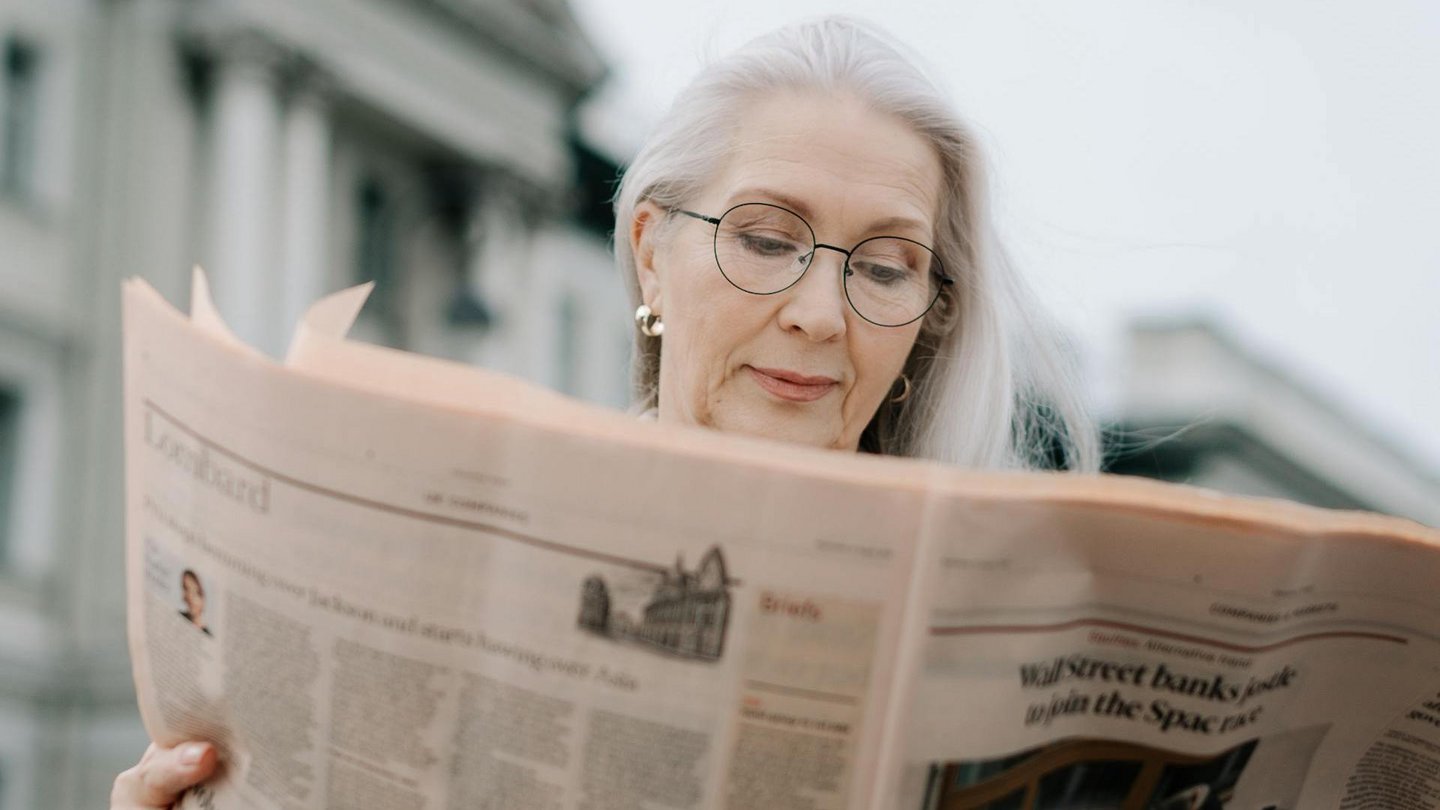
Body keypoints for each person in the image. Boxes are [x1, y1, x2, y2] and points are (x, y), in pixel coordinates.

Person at [111, 15, 1099, 808]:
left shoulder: (995, 648)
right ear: (653, 254)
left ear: (928, 319)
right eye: (763, 240)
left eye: (885, 267)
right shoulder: (478, 554)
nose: (817, 315)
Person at [178, 569, 212, 636]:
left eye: (195, 593)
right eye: (185, 588)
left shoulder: (207, 634)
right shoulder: (180, 616)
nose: (189, 597)